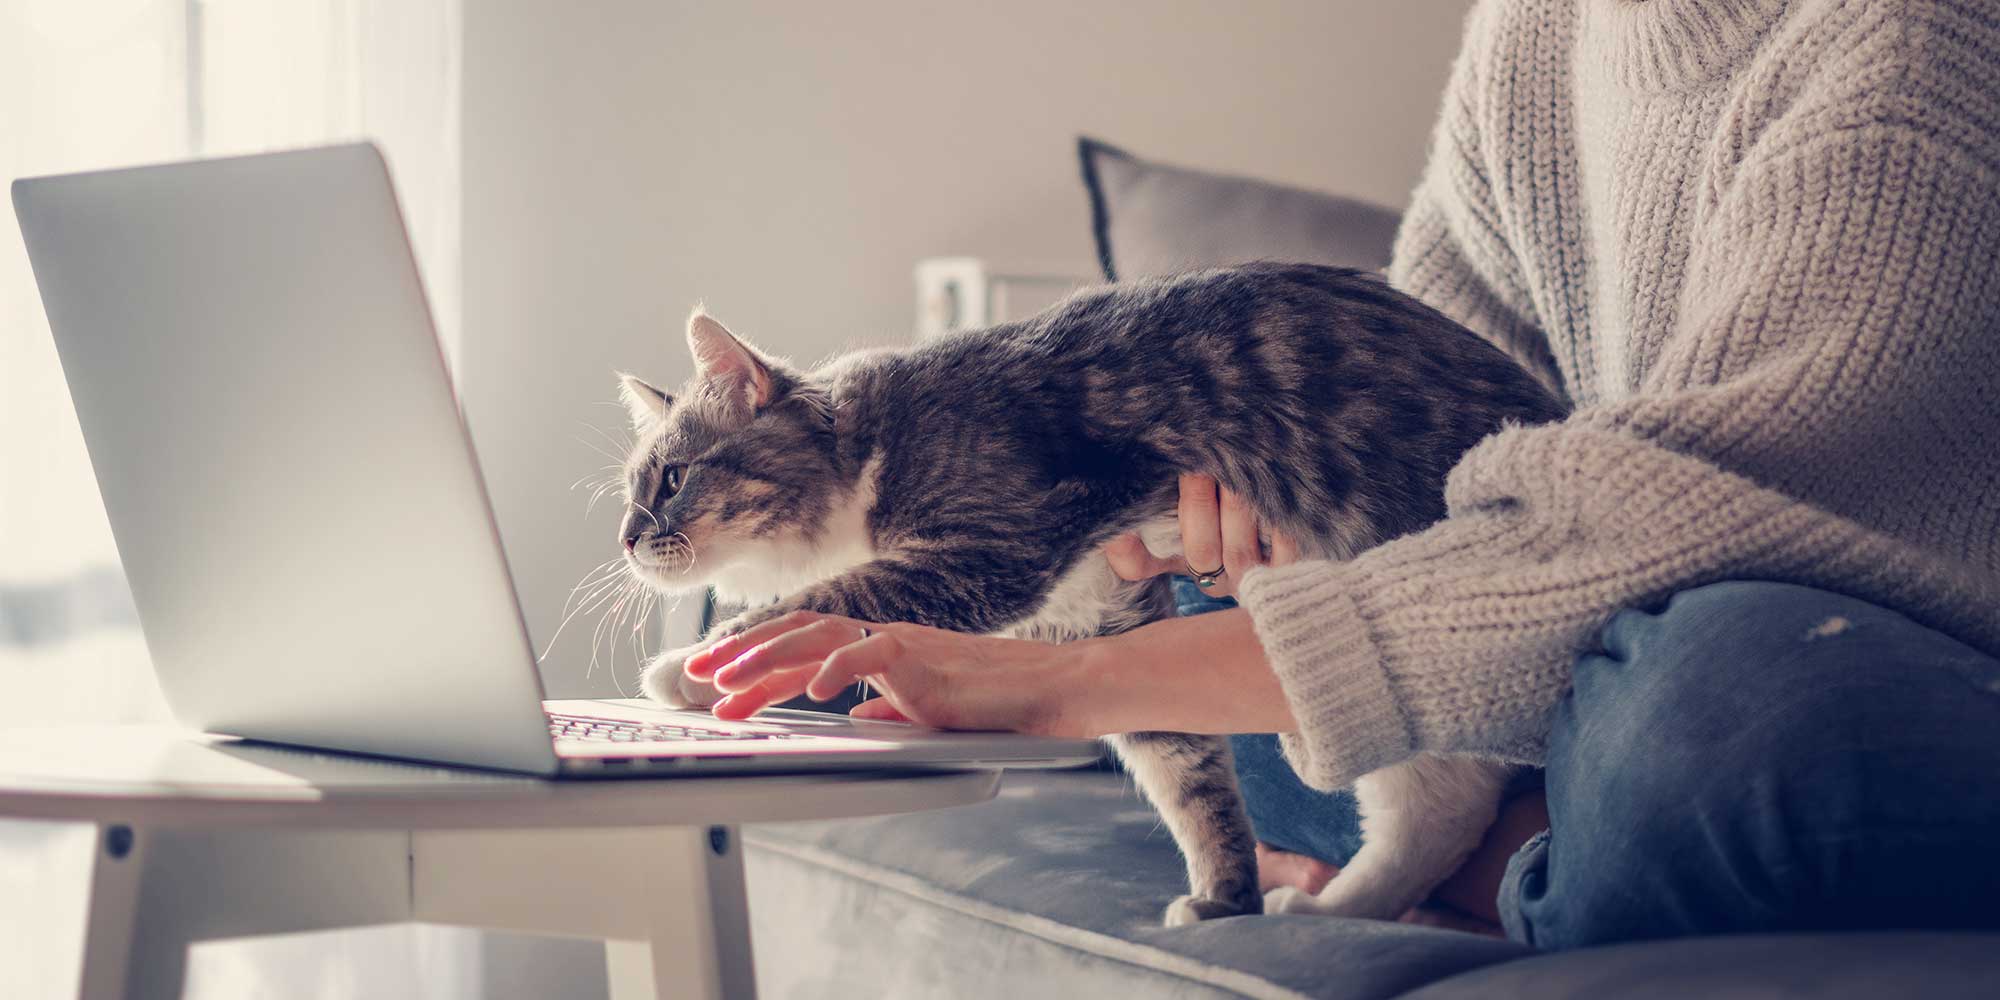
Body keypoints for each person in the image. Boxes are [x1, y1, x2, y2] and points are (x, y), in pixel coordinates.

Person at [682, 0, 2000, 949]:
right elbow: (1435, 389)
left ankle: (1510, 861)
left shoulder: (1904, 47)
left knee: (1724, 713)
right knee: (1224, 638)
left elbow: (1703, 527)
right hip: (1533, 625)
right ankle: (1516, 820)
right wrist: (1277, 537)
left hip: (1839, 627)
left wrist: (1065, 684)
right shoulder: (1536, 33)